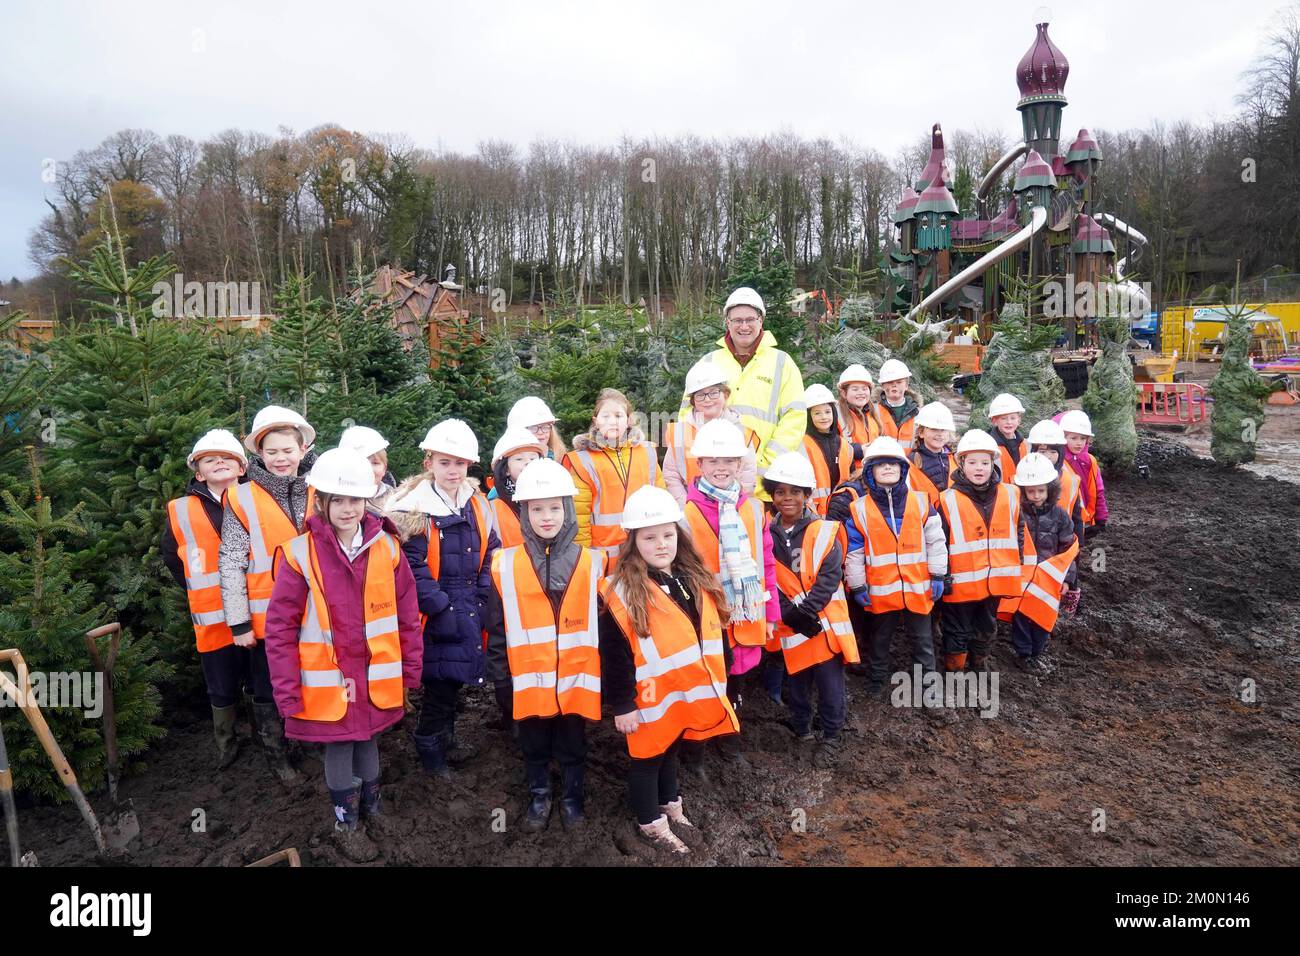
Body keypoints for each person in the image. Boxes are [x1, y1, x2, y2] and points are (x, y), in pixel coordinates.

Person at [263, 448, 423, 862]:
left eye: (355, 500)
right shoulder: (300, 555)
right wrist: (287, 692)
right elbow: (279, 628)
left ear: (366, 501)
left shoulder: (387, 548)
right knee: (339, 748)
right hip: (328, 683)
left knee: (369, 740)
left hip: (375, 676)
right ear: (323, 503)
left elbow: (407, 613)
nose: (348, 509)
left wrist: (410, 670)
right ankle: (345, 824)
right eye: (339, 500)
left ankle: (372, 808)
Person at [599, 485, 739, 856]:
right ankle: (650, 821)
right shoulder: (622, 593)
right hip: (647, 698)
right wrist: (622, 704)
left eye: (667, 535)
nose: (661, 544)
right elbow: (614, 655)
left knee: (671, 750)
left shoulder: (695, 578)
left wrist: (727, 680)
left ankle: (670, 803)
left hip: (682, 692)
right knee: (647, 759)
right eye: (649, 537)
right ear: (633, 541)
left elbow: (714, 632)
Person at [487, 459, 603, 832]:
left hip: (575, 681)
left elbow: (604, 627)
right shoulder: (505, 564)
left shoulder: (590, 562)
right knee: (533, 744)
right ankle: (540, 796)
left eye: (555, 507)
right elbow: (498, 627)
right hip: (529, 681)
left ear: (568, 509)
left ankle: (572, 799)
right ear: (524, 512)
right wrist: (501, 680)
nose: (547, 516)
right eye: (537, 509)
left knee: (573, 745)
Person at [387, 419, 501, 779]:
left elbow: (491, 550)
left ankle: (447, 740)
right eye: (444, 462)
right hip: (434, 615)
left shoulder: (477, 503)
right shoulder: (415, 510)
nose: (453, 470)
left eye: (460, 463)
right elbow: (410, 565)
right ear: (429, 463)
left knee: (454, 682)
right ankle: (430, 748)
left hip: (470, 605)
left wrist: (483, 595)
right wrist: (438, 606)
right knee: (438, 685)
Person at [218, 404, 318, 783]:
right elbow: (229, 560)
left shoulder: (321, 490)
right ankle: (277, 754)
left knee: (312, 675)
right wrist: (239, 621)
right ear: (258, 454)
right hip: (265, 619)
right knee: (266, 687)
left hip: (315, 613)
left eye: (287, 450)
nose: (280, 458)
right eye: (271, 451)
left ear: (303, 451)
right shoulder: (241, 498)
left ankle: (308, 739)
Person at [680, 419, 780, 758]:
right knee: (706, 675)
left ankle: (730, 731)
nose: (720, 468)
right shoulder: (685, 514)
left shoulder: (753, 510)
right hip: (705, 618)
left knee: (735, 676)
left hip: (745, 614)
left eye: (727, 462)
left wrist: (771, 615)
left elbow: (767, 565)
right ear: (700, 465)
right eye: (713, 462)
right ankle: (699, 742)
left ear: (739, 465)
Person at [762, 453, 858, 766]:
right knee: (798, 685)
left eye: (794, 491)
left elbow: (830, 577)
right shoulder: (765, 533)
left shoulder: (824, 531)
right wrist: (792, 615)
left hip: (824, 625)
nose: (786, 498)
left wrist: (807, 613)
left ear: (806, 495)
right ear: (772, 496)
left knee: (831, 687)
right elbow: (767, 577)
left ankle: (831, 736)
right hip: (792, 627)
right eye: (780, 491)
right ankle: (802, 729)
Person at [162, 429, 249, 769]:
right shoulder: (181, 510)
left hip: (256, 612)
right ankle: (227, 744)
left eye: (227, 457)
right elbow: (171, 555)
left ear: (242, 467)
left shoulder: (257, 501)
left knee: (260, 680)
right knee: (221, 685)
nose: (219, 462)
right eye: (209, 459)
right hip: (212, 618)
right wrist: (195, 591)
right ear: (198, 473)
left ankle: (266, 737)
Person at [842, 437, 947, 700]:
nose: (888, 468)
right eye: (881, 465)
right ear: (869, 471)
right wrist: (856, 584)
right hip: (881, 591)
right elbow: (853, 552)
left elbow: (936, 541)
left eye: (893, 464)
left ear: (903, 469)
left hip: (918, 587)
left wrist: (937, 574)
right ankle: (876, 683)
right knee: (879, 641)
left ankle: (928, 689)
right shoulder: (858, 509)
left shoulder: (922, 503)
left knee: (924, 642)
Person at [692, 287, 806, 498]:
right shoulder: (708, 363)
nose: (744, 326)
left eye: (750, 319)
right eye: (737, 320)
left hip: (766, 487)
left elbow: (794, 420)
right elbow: (688, 417)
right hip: (713, 486)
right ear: (727, 323)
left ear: (761, 321)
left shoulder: (782, 363)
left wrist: (764, 465)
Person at [936, 430, 1026, 675]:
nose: (979, 468)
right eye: (972, 462)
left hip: (995, 581)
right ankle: (955, 669)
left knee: (986, 626)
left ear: (993, 463)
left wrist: (1018, 562)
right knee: (957, 629)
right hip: (960, 584)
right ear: (961, 464)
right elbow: (939, 542)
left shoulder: (1011, 494)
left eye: (985, 463)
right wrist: (942, 575)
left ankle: (979, 663)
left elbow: (1018, 532)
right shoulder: (946, 500)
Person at [563, 388, 664, 561]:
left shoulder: (647, 452)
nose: (612, 422)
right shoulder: (582, 461)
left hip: (646, 552)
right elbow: (578, 517)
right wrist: (584, 559)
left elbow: (662, 500)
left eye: (618, 416)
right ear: (596, 421)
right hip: (605, 556)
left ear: (628, 420)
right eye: (606, 416)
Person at [1001, 453, 1079, 673]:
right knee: (1022, 616)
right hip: (1022, 577)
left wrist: (1068, 579)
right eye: (1031, 491)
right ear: (1022, 491)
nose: (1036, 495)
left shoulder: (1061, 516)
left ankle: (1037, 652)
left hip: (1049, 578)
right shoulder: (1015, 513)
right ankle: (1024, 654)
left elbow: (1068, 550)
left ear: (1050, 489)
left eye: (1041, 490)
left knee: (1044, 615)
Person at [663, 358, 759, 507]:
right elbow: (671, 475)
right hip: (692, 510)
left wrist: (736, 506)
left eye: (714, 393)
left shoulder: (740, 432)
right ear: (693, 401)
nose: (707, 399)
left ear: (725, 395)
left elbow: (747, 474)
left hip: (732, 508)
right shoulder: (680, 432)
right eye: (700, 395)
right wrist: (686, 508)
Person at [1027, 419, 1085, 616]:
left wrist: (1079, 539)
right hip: (1032, 538)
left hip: (1061, 537)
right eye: (1041, 451)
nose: (1047, 457)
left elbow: (1076, 511)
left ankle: (1067, 603)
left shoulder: (1070, 478)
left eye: (1053, 452)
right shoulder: (1023, 478)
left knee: (1064, 572)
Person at [487, 426, 546, 548]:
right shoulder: (494, 506)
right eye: (519, 458)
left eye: (533, 458)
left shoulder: (553, 495)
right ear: (506, 469)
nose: (528, 462)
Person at [801, 383, 854, 516]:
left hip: (842, 511)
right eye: (817, 413)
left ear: (833, 412)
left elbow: (851, 478)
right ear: (809, 416)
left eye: (827, 411)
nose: (824, 417)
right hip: (812, 514)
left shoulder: (844, 445)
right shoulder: (803, 444)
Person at [1058, 410, 1109, 535]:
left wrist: (1101, 517)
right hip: (1066, 522)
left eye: (1083, 438)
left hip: (1087, 522)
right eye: (1073, 438)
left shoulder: (1090, 461)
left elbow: (1098, 490)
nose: (1079, 442)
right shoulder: (1059, 461)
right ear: (1063, 437)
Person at [907, 401, 958, 507]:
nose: (939, 434)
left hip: (953, 519)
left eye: (943, 430)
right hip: (926, 520)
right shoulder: (911, 463)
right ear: (921, 432)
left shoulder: (956, 460)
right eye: (933, 429)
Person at [338, 425, 397, 511]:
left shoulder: (397, 502)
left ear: (384, 469)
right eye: (360, 462)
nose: (368, 469)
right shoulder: (334, 501)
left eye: (375, 463)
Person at [874, 359, 921, 445]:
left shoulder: (918, 413)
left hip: (910, 458)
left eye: (899, 382)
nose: (894, 385)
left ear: (906, 386)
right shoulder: (873, 411)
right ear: (883, 386)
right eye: (890, 382)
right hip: (881, 458)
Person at [986, 393, 1028, 483]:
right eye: (1004, 418)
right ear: (994, 421)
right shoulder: (989, 446)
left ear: (1019, 420)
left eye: (1013, 418)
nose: (1009, 422)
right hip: (1000, 494)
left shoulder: (1025, 444)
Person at [836, 364, 879, 447]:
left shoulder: (874, 413)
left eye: (864, 389)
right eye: (855, 389)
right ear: (844, 393)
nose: (861, 393)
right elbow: (832, 446)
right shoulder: (835, 415)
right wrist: (859, 451)